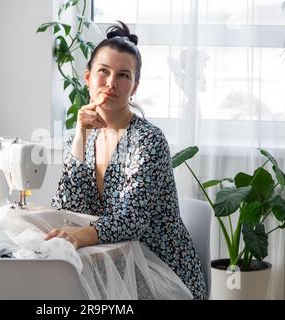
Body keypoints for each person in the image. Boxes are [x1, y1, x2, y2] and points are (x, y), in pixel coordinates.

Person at [48, 21, 206, 300]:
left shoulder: (148, 141)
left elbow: (131, 220)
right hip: (114, 265)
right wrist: (80, 137)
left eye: (123, 75)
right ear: (87, 77)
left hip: (163, 273)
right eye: (103, 72)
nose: (111, 83)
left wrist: (80, 236)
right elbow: (67, 207)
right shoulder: (87, 137)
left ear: (134, 87)